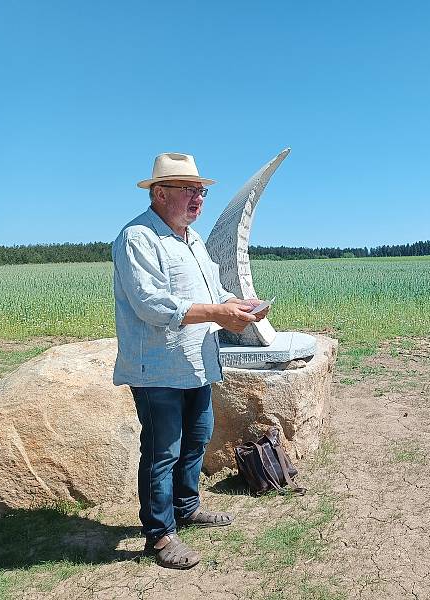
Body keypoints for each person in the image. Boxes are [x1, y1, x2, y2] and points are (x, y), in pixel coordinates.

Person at [112, 152, 269, 569]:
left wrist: (239, 305)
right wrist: (219, 314)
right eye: (191, 190)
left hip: (196, 363)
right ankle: (160, 536)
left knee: (197, 438)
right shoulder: (137, 239)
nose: (200, 198)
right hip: (157, 368)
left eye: (202, 191)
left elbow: (213, 294)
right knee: (163, 450)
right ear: (160, 193)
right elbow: (152, 304)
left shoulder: (193, 239)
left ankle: (187, 506)